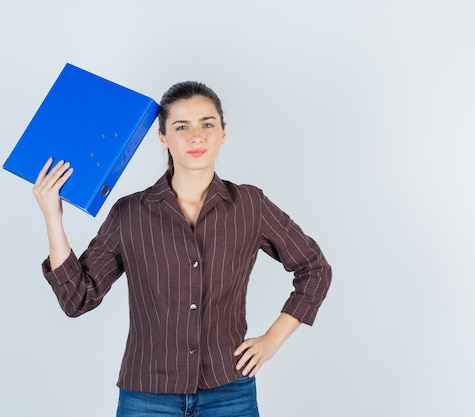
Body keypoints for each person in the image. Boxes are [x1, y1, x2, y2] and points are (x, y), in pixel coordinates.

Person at [32, 81, 332, 417]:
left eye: (207, 124)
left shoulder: (250, 205)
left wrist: (272, 340)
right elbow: (78, 299)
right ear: (163, 138)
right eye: (181, 126)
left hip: (230, 393)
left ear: (223, 133)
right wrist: (53, 218)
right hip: (147, 398)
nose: (196, 136)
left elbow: (315, 268)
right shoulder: (129, 213)